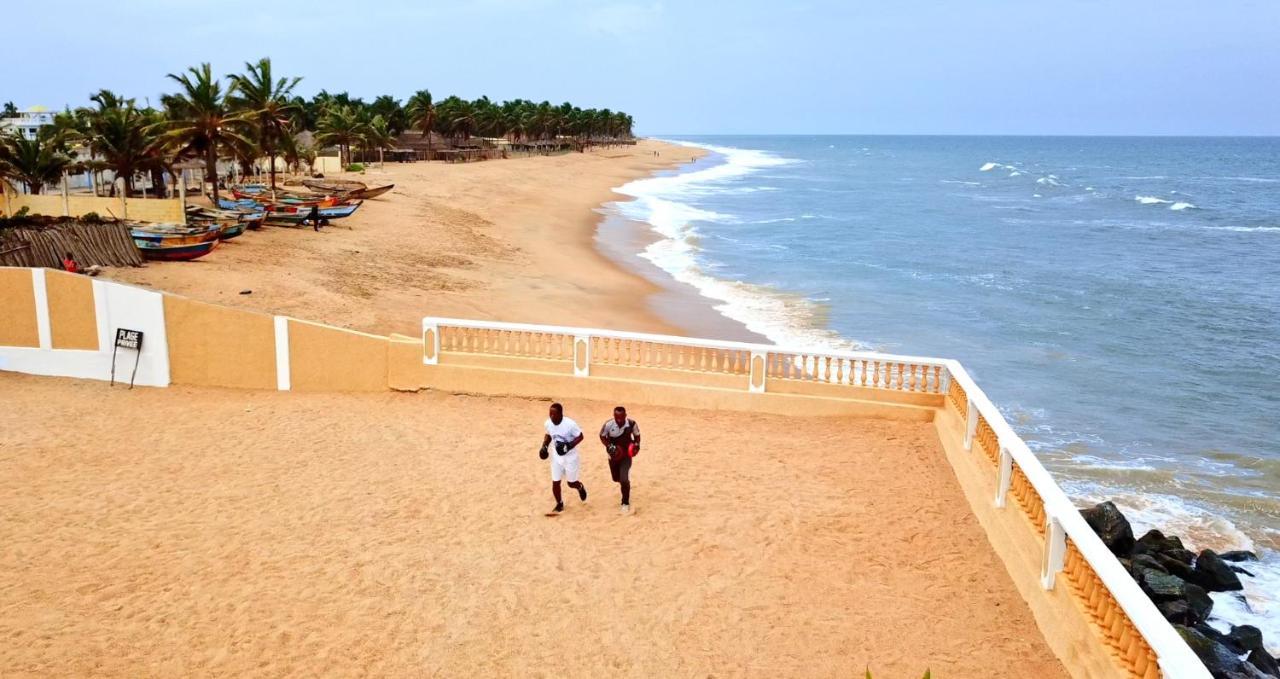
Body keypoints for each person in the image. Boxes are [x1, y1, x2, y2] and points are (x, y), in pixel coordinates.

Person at [540, 402, 587, 514]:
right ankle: (559, 504)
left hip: (570, 458)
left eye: (554, 414)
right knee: (555, 482)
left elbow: (580, 436)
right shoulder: (548, 423)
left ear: (561, 414)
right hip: (556, 457)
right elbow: (548, 435)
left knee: (571, 483)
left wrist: (569, 446)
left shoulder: (570, 424)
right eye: (550, 414)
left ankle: (580, 487)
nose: (551, 417)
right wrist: (544, 446)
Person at [599, 406, 640, 513]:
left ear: (625, 416)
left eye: (622, 418)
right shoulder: (608, 425)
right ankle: (624, 483)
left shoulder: (631, 424)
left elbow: (637, 436)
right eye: (617, 418)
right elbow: (602, 436)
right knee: (616, 478)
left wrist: (636, 445)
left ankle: (625, 502)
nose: (619, 420)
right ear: (614, 416)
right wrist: (608, 446)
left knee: (624, 479)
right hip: (613, 455)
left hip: (626, 455)